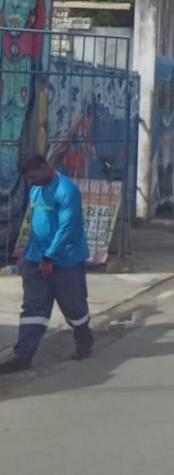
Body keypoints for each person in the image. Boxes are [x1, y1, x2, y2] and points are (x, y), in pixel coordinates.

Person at [1, 155, 94, 374]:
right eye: (28, 179)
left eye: (33, 176)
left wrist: (49, 258)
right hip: (36, 259)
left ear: (45, 167)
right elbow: (36, 226)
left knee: (74, 305)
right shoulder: (35, 190)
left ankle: (84, 339)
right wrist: (27, 253)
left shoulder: (67, 191)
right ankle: (23, 356)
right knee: (33, 309)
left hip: (65, 260)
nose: (31, 182)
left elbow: (66, 229)